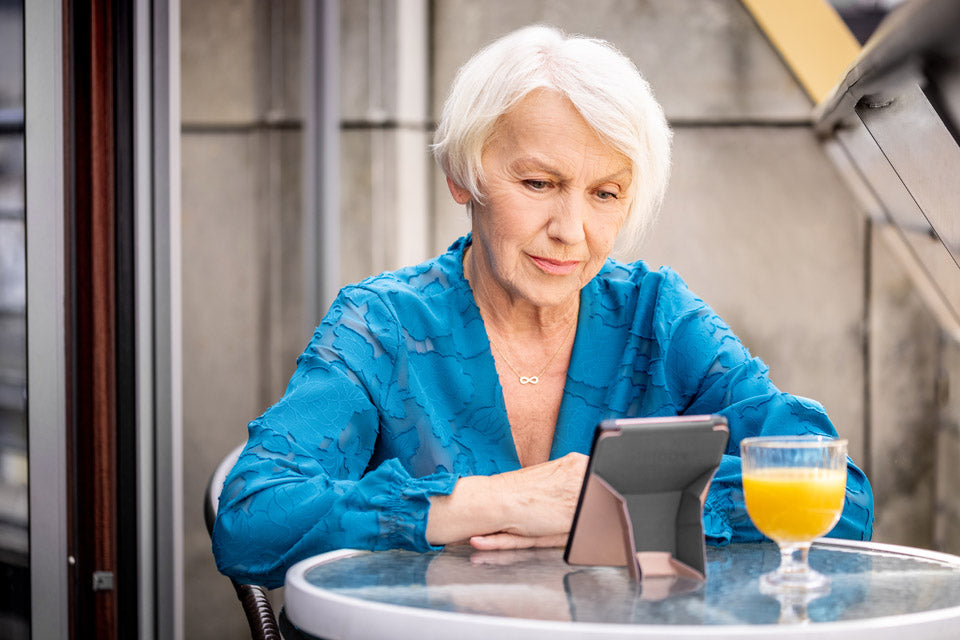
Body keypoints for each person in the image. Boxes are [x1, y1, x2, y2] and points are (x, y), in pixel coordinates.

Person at [213, 25, 874, 589]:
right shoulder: (383, 326)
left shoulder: (658, 317)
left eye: (606, 194)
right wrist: (488, 502)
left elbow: (838, 494)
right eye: (539, 183)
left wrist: (611, 509)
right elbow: (253, 520)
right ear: (463, 176)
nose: (571, 229)